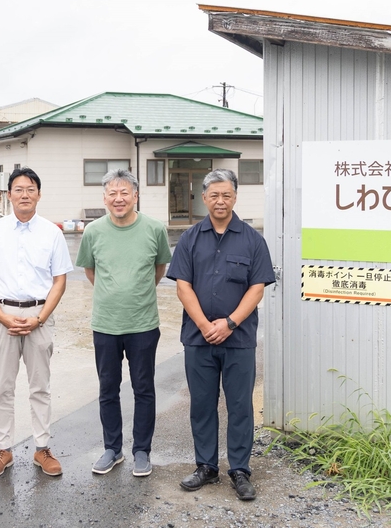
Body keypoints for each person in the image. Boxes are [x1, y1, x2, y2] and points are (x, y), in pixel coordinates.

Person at [166, 169, 275, 501]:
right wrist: (203, 324)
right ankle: (206, 467)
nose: (220, 201)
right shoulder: (190, 238)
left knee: (240, 405)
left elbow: (257, 289)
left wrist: (228, 323)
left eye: (226, 195)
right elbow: (182, 286)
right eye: (214, 195)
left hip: (238, 339)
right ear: (204, 198)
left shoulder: (253, 239)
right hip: (199, 339)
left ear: (235, 197)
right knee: (202, 404)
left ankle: (240, 469)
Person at [0, 167, 72, 478]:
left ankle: (42, 448)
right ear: (9, 194)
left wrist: (40, 318)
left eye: (30, 189)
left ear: (39, 194)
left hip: (39, 316)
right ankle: (3, 450)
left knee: (40, 386)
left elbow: (59, 281)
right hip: (2, 316)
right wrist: (1, 316)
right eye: (18, 189)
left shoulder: (52, 233)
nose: (24, 194)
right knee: (2, 387)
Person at [76, 169, 171, 477]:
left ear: (135, 196)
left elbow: (159, 269)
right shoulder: (93, 231)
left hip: (143, 324)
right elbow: (91, 272)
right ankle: (112, 449)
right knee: (108, 388)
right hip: (105, 324)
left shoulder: (154, 229)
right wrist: (113, 293)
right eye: (112, 193)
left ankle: (142, 450)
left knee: (144, 388)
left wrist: (135, 293)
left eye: (124, 193)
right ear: (105, 198)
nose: (118, 199)